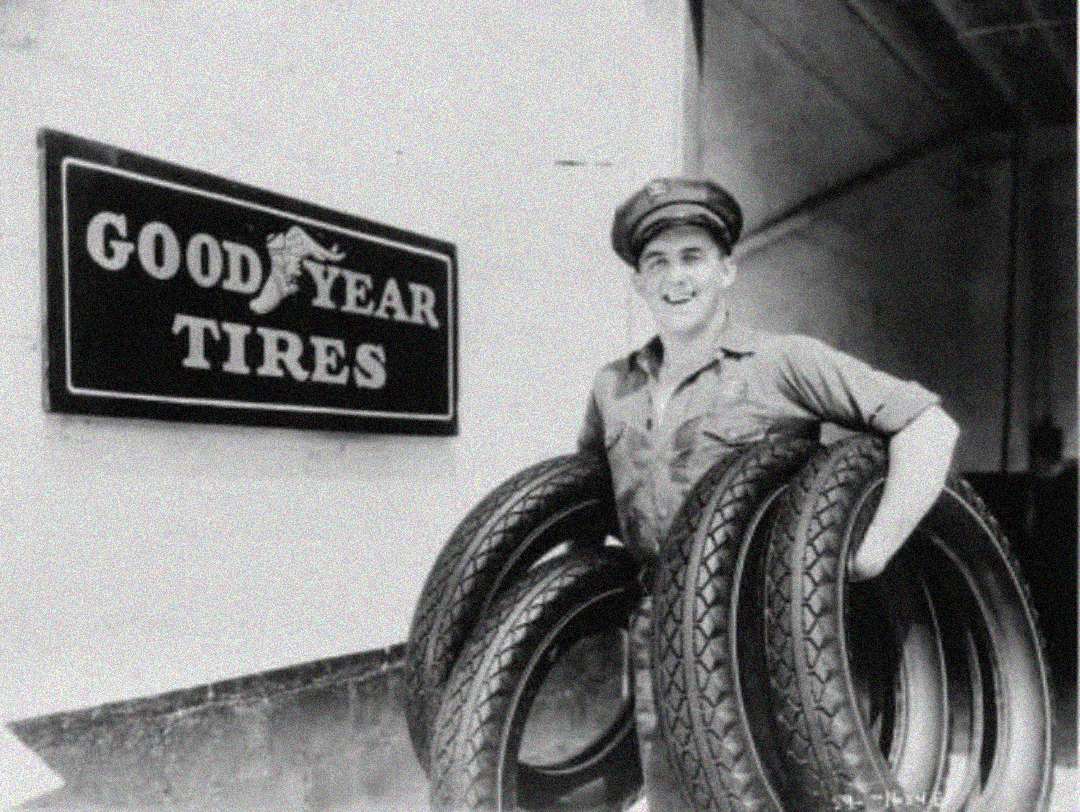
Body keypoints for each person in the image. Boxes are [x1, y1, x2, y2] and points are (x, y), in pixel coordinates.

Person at [576, 177, 960, 810]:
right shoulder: (612, 387)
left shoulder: (783, 363)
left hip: (767, 628)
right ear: (640, 282)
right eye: (657, 262)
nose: (676, 278)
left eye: (693, 257)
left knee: (785, 793)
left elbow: (928, 427)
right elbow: (588, 500)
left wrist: (872, 553)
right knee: (676, 794)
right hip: (661, 631)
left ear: (728, 270)